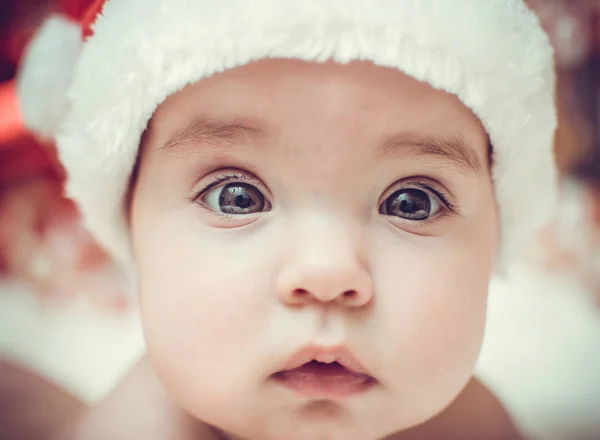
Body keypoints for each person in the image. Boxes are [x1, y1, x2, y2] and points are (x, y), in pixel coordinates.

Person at [15, 0, 557, 438]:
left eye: (412, 202)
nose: (327, 274)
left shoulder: (474, 425)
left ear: (497, 237)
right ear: (128, 227)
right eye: (236, 198)